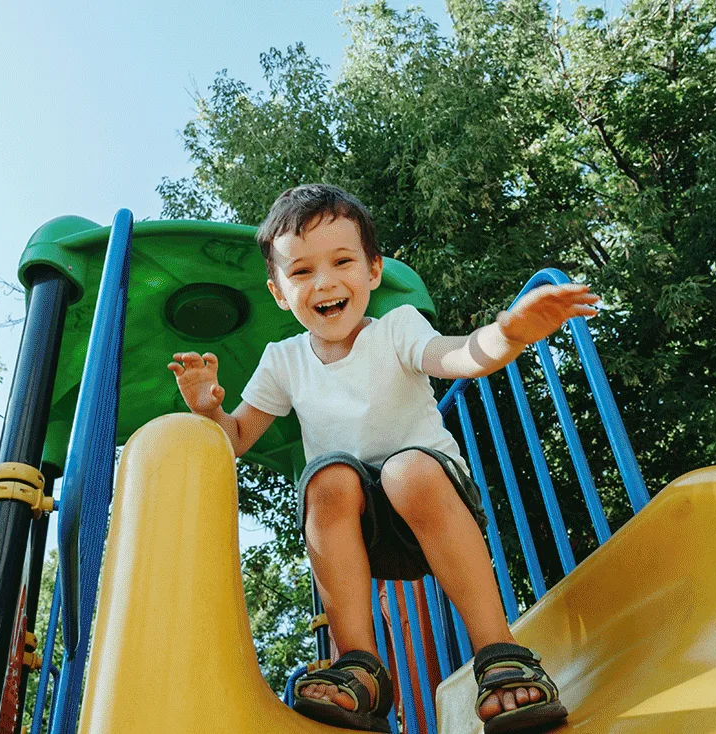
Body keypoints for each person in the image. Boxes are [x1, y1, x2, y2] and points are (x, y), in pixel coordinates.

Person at [167, 184, 598, 734]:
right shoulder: (283, 360)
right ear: (278, 291)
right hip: (361, 535)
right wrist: (209, 412)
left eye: (342, 261)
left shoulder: (398, 328)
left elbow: (457, 357)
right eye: (300, 272)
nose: (324, 282)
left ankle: (500, 651)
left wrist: (508, 333)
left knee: (405, 468)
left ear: (373, 270)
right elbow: (236, 437)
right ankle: (362, 670)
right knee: (327, 478)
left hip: (433, 505)